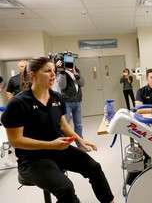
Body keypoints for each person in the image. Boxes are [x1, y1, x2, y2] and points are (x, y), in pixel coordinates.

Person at [1, 57, 115, 203]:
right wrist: (50, 145)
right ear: (33, 75)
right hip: (31, 159)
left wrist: (80, 140)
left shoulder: (57, 97)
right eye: (48, 71)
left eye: (54, 71)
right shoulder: (18, 103)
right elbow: (16, 141)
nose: (53, 75)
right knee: (66, 189)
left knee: (94, 168)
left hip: (58, 150)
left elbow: (63, 125)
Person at [55, 54, 87, 151]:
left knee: (79, 124)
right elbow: (62, 86)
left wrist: (75, 73)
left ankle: (80, 144)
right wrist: (62, 72)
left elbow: (82, 83)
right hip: (67, 102)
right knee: (66, 125)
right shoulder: (60, 72)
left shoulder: (77, 70)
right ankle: (66, 146)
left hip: (77, 101)